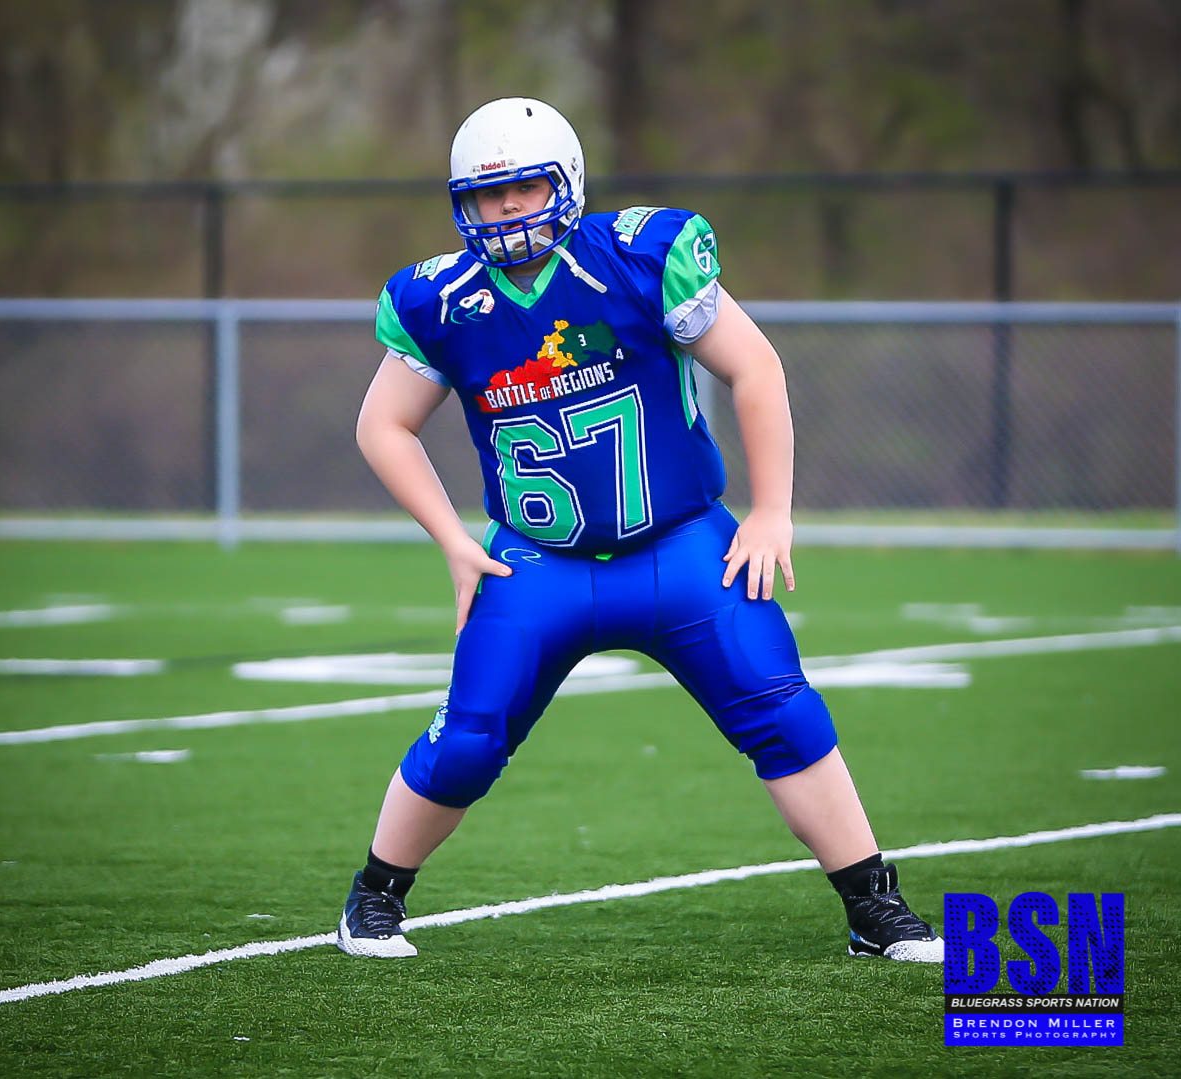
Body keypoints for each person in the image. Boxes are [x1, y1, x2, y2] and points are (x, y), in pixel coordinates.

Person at [339, 97, 942, 963]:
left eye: (524, 188)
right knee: (467, 739)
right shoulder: (443, 300)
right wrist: (451, 537)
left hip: (680, 546)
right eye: (484, 195)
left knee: (782, 710)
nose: (504, 209)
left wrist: (771, 509)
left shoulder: (637, 257)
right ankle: (373, 896)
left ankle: (871, 906)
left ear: (566, 182)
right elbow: (382, 425)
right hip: (539, 564)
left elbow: (754, 367)